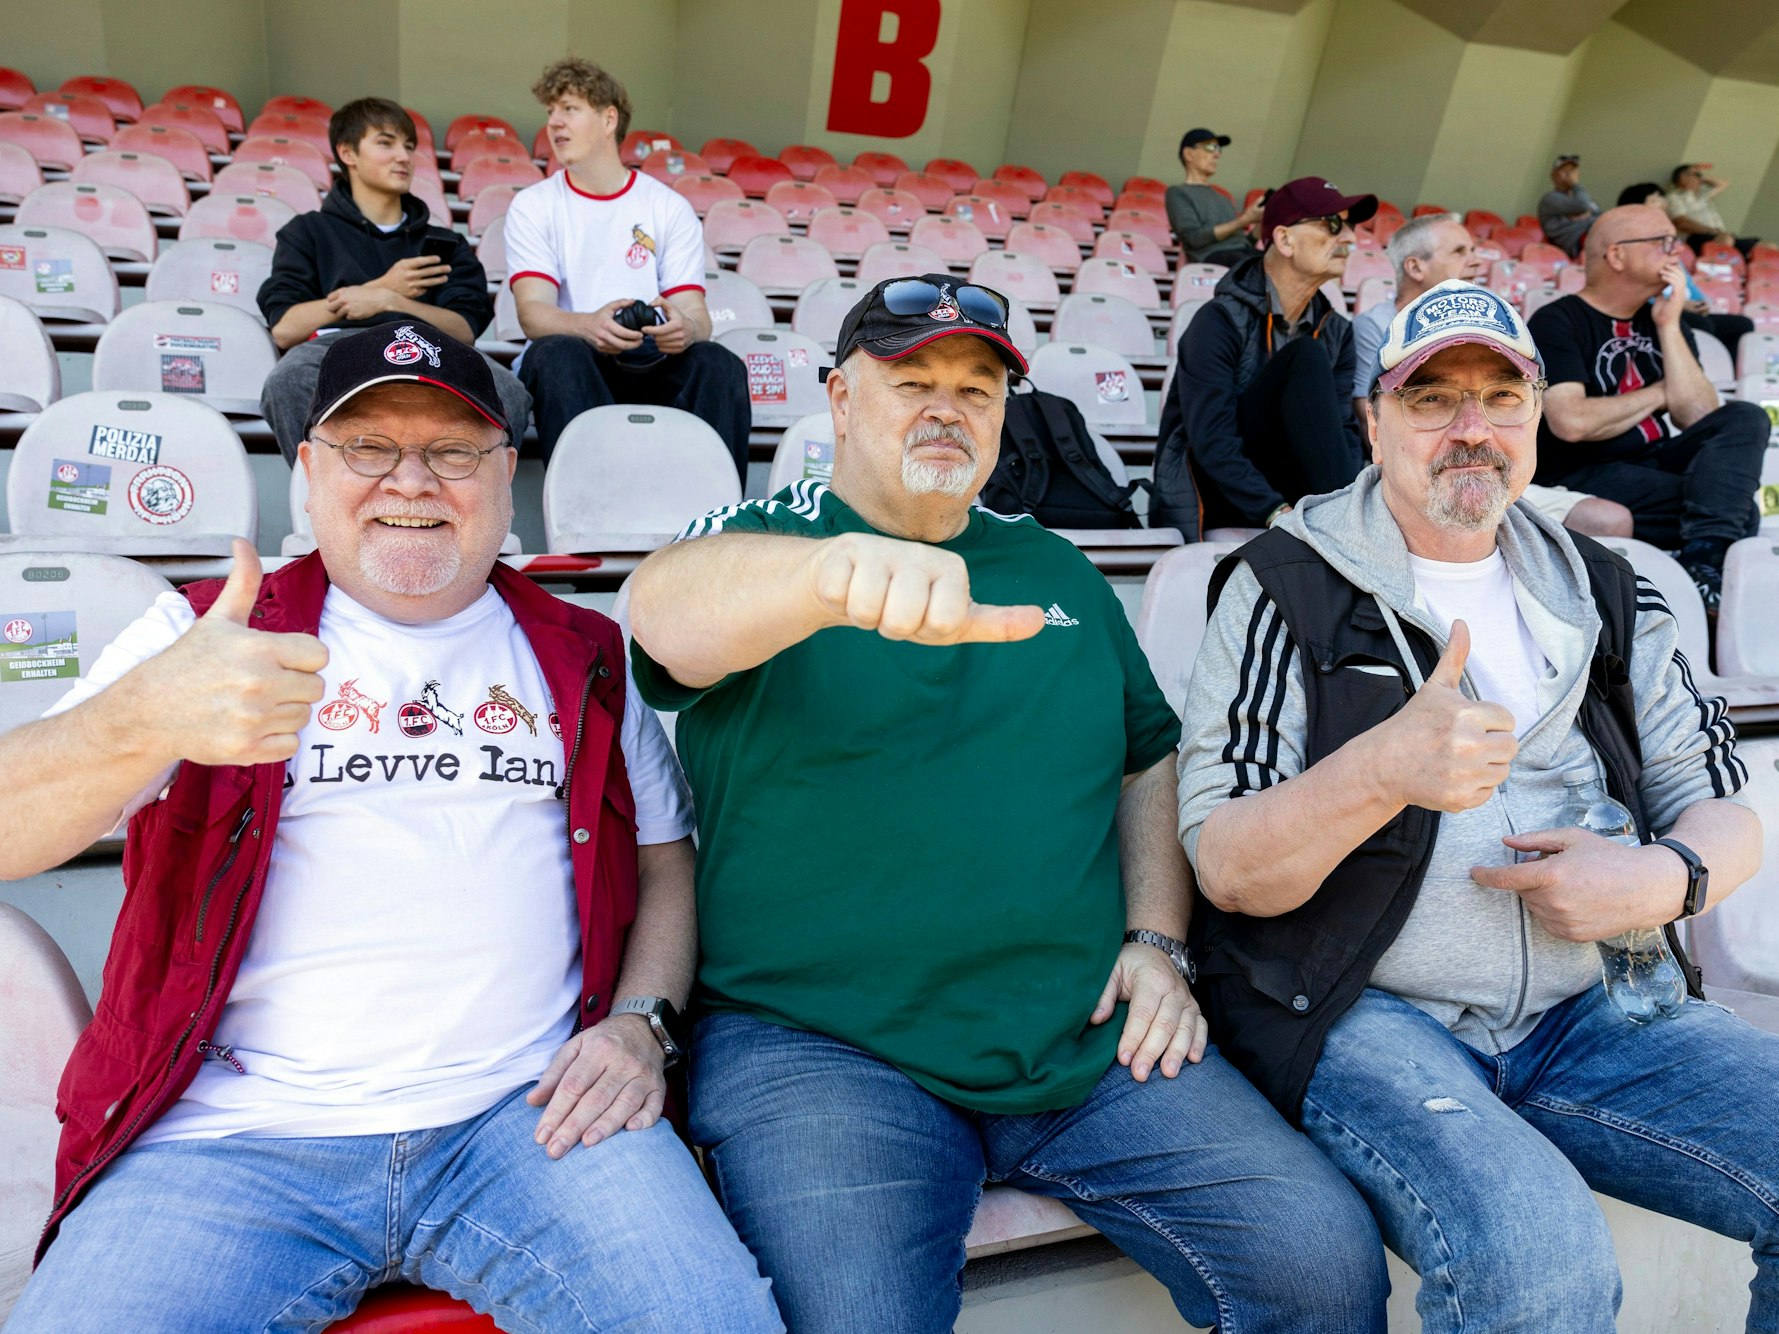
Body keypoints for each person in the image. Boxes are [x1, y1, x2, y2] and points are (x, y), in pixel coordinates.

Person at [624, 276, 1390, 1334]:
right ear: (841, 401)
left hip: (1079, 1035)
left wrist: (1157, 940)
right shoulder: (767, 543)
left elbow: (1146, 758)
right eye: (913, 381)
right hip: (822, 1045)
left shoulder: (1054, 565)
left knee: (1321, 1259)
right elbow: (665, 614)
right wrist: (839, 573)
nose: (949, 409)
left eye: (977, 390)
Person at [1, 323, 781, 1333]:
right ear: (310, 472)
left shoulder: (584, 652)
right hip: (232, 1139)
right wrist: (140, 717)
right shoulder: (209, 635)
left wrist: (643, 1021)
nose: (411, 480)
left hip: (529, 1115)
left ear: (508, 478)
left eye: (452, 451)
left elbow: (663, 856)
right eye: (369, 446)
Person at [1179, 278, 1776, 1333]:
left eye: (1500, 399)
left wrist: (1656, 877)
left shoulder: (1608, 585)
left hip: (1599, 1006)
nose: (1472, 431)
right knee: (1537, 1252)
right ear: (1372, 422)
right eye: (1431, 399)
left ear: (1537, 416)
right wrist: (1377, 771)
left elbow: (1724, 807)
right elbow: (1226, 866)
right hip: (1364, 1011)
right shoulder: (1282, 584)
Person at [256, 97, 531, 465]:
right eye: (386, 143)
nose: (403, 156)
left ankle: (471, 508)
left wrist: (392, 301)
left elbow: (464, 331)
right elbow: (286, 329)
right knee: (287, 380)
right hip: (336, 349)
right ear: (348, 153)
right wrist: (374, 290)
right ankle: (322, 507)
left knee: (509, 391)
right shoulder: (307, 232)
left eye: (409, 146)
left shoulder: (446, 243)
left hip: (431, 349)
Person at [507, 58, 748, 474]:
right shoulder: (534, 205)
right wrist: (587, 325)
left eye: (569, 109)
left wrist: (684, 329)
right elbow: (532, 314)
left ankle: (715, 523)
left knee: (719, 364)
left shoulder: (667, 205)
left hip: (652, 358)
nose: (554, 124)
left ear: (608, 119)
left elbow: (696, 316)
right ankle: (585, 515)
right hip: (577, 356)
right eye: (550, 112)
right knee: (557, 355)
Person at [1528, 204, 1767, 610]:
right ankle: (1705, 565)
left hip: (1653, 460)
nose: (1677, 253)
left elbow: (1698, 417)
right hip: (1583, 469)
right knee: (1740, 515)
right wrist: (1660, 392)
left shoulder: (1665, 319)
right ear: (1617, 255)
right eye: (1662, 242)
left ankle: (1701, 560)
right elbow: (1572, 423)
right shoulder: (1556, 321)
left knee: (1746, 416)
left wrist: (1670, 325)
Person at [1351, 212, 1631, 538]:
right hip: (1410, 476)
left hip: (1495, 475)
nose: (1477, 262)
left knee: (1608, 520)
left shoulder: (1502, 325)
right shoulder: (1375, 324)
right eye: (1432, 398)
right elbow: (1367, 415)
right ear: (1415, 267)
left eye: (1502, 394)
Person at [1153, 176, 1375, 534]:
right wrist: (1274, 510)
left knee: (1311, 359)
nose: (1350, 238)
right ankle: (1349, 524)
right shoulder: (1217, 321)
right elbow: (1211, 439)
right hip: (1222, 497)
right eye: (1333, 224)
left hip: (1298, 491)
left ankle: (1348, 522)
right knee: (1304, 357)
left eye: (1350, 225)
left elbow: (1342, 433)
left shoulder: (1337, 331)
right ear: (1285, 239)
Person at [1618, 182, 1754, 361]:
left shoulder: (1668, 243)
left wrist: (1700, 303)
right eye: (1655, 198)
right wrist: (1678, 304)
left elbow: (1686, 281)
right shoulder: (1630, 244)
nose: (1663, 202)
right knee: (1700, 324)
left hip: (1682, 307)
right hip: (1650, 311)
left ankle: (1720, 376)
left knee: (1741, 324)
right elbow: (1634, 290)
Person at [1164, 127, 1262, 266]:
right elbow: (1193, 238)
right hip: (1212, 259)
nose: (1217, 154)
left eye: (1218, 149)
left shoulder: (1223, 198)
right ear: (1189, 154)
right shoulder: (1177, 193)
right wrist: (1244, 220)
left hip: (1240, 255)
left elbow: (1243, 244)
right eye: (1210, 147)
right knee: (1257, 267)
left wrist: (1260, 223)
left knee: (1284, 263)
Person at [1667, 163, 1758, 258]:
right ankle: (1721, 269)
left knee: (1764, 247)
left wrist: (1701, 177)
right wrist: (1711, 231)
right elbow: (1682, 222)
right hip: (1694, 238)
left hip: (1719, 236)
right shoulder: (1674, 198)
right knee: (1726, 240)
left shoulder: (1703, 196)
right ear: (1682, 177)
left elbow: (1723, 183)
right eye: (1697, 175)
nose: (1700, 179)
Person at [1539, 154, 1600, 258]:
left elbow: (1600, 214)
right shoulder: (1550, 198)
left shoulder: (1578, 196)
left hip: (1593, 237)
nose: (1569, 174)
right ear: (1554, 175)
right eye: (1564, 170)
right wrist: (1576, 184)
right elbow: (1583, 204)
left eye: (1572, 170)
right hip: (1577, 245)